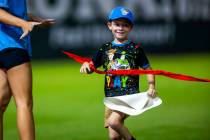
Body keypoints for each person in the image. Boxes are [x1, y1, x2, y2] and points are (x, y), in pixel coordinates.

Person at [80, 6, 157, 140]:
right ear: (109, 25)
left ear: (130, 27)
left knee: (113, 121)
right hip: (111, 98)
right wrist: (86, 65)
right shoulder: (105, 48)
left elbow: (148, 68)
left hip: (129, 96)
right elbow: (92, 65)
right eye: (117, 24)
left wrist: (151, 86)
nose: (120, 28)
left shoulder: (135, 49)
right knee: (114, 137)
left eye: (125, 25)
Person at [0, 0, 54, 140]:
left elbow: (10, 11)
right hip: (12, 44)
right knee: (24, 103)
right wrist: (23, 23)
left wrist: (31, 18)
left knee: (1, 101)